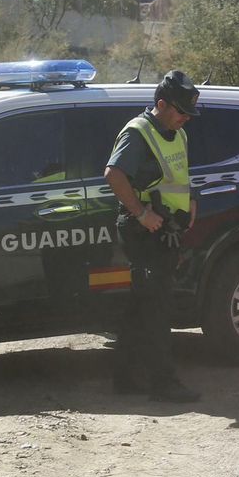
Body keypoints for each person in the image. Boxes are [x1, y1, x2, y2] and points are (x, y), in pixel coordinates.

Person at [104, 70, 202, 403]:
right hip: (144, 231)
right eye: (181, 111)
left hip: (165, 229)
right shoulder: (139, 132)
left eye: (189, 112)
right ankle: (163, 383)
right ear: (161, 105)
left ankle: (125, 378)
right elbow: (114, 174)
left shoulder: (177, 133)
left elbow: (178, 174)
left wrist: (190, 199)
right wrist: (141, 214)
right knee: (157, 309)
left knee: (141, 304)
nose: (186, 117)